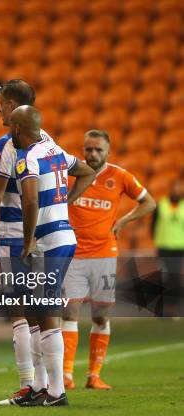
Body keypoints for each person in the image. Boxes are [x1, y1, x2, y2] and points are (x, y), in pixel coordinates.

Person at [0, 80, 54, 405]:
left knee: (19, 311)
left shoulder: (6, 144)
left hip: (15, 235)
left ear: (15, 106)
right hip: (43, 234)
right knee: (41, 310)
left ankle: (29, 385)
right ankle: (45, 385)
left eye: (2, 103)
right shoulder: (47, 140)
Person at [10, 105, 95, 407]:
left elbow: (30, 200)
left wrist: (28, 238)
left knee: (46, 312)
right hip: (62, 236)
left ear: (17, 129)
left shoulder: (28, 158)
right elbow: (86, 171)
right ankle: (39, 386)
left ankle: (56, 392)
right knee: (37, 309)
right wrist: (67, 204)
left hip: (48, 241)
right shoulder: (55, 150)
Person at [62, 130, 155, 390]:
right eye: (88, 149)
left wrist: (124, 221)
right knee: (69, 311)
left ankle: (94, 375)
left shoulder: (120, 176)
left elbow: (149, 203)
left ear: (108, 152)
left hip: (104, 254)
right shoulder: (72, 174)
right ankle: (66, 375)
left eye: (98, 150)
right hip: (74, 253)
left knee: (100, 316)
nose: (92, 154)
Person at [152, 180, 183, 316]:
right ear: (170, 189)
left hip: (180, 247)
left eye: (179, 188)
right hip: (163, 246)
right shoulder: (161, 204)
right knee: (166, 276)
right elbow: (153, 224)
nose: (177, 191)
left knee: (174, 275)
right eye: (174, 188)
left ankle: (174, 305)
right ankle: (166, 305)